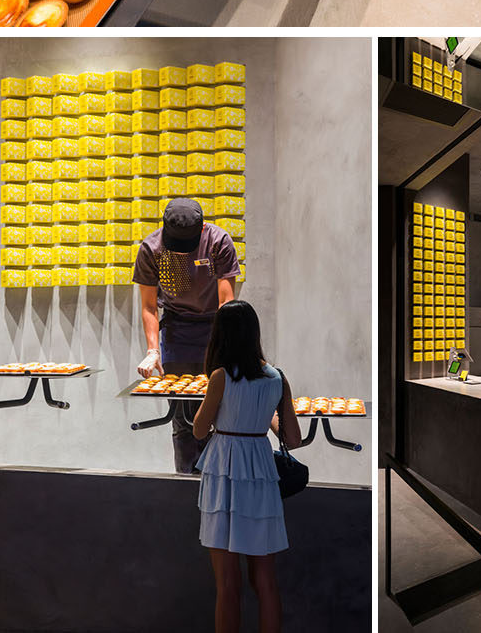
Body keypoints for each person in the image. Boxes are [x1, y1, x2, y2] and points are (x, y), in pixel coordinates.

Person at [194, 300, 301, 633]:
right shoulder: (277, 378)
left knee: (227, 583)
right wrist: (261, 415)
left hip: (224, 469)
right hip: (260, 470)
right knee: (265, 581)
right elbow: (293, 438)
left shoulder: (221, 377)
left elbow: (199, 429)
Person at [134, 196, 241, 474]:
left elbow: (226, 304)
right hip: (177, 330)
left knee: (216, 412)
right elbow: (148, 306)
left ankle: (216, 478)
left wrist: (225, 348)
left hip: (214, 327)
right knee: (182, 417)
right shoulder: (151, 248)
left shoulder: (218, 242)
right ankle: (184, 481)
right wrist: (152, 350)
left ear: (202, 228)